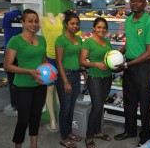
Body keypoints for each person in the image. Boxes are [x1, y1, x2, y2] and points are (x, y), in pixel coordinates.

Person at [114, 0, 150, 147]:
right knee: (129, 101)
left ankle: (146, 136)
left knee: (144, 103)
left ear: (145, 3)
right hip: (130, 64)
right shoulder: (128, 20)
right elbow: (130, 43)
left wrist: (127, 65)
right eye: (132, 1)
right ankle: (130, 130)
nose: (135, 3)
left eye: (138, 1)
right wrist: (118, 53)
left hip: (144, 66)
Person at [3, 9, 47, 148]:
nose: (34, 24)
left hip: (40, 85)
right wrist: (29, 71)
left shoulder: (41, 39)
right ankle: (18, 146)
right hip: (22, 86)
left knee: (35, 117)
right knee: (23, 119)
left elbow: (43, 62)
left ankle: (34, 145)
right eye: (30, 21)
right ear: (23, 22)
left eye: (36, 21)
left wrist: (46, 75)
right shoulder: (15, 41)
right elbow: (7, 66)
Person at [80, 17, 113, 148]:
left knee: (101, 105)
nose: (101, 30)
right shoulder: (88, 42)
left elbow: (110, 58)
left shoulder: (107, 41)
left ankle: (98, 131)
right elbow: (81, 61)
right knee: (97, 107)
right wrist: (96, 64)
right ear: (94, 28)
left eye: (104, 27)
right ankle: (89, 136)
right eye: (99, 27)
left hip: (108, 77)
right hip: (95, 78)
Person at [55, 10, 85, 148]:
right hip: (65, 76)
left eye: (77, 24)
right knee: (65, 107)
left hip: (76, 75)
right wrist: (65, 81)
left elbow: (79, 58)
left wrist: (83, 70)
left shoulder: (78, 39)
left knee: (71, 106)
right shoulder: (61, 39)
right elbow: (59, 62)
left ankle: (69, 132)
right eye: (72, 24)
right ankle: (63, 137)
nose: (75, 26)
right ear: (66, 24)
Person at [40, 12, 64, 132]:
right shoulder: (41, 18)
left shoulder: (60, 17)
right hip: (49, 58)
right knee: (49, 90)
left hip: (61, 57)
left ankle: (60, 118)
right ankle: (52, 120)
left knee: (60, 90)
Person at [2, 10, 22, 114]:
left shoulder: (8, 17)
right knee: (16, 80)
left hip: (12, 52)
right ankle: (17, 104)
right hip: (14, 53)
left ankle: (16, 104)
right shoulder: (13, 15)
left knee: (13, 81)